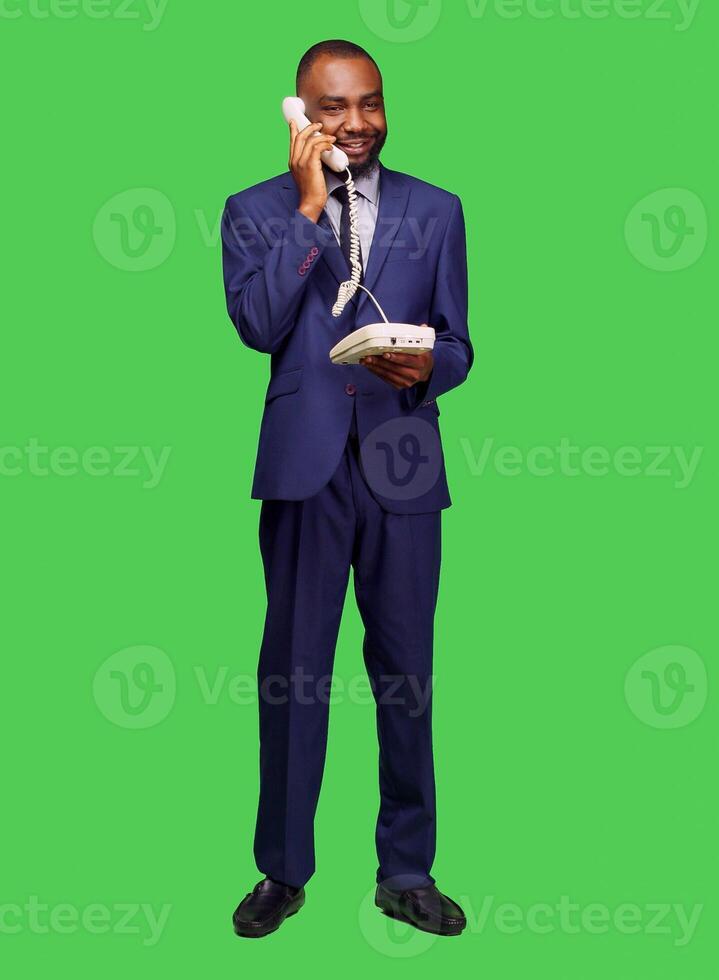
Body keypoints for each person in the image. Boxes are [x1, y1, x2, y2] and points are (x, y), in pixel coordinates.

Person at [219, 38, 474, 939]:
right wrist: (309, 208)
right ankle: (282, 871)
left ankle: (406, 869)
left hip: (403, 464)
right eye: (333, 108)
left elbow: (461, 345)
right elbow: (255, 324)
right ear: (299, 114)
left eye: (369, 103)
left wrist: (430, 363)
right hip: (304, 468)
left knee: (406, 675)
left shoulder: (436, 210)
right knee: (293, 675)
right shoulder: (254, 211)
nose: (356, 123)